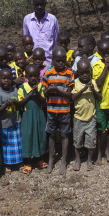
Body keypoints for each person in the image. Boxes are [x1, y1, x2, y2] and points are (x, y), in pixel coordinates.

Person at [40, 46, 75, 175]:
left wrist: (58, 90)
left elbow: (70, 96)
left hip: (64, 110)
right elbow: (44, 93)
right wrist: (49, 91)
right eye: (58, 60)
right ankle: (51, 160)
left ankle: (64, 162)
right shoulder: (48, 73)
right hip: (51, 110)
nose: (61, 63)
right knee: (51, 134)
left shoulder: (69, 73)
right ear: (53, 60)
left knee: (65, 135)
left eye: (63, 60)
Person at [71, 59, 101, 171]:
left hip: (90, 118)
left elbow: (99, 97)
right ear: (78, 72)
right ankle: (78, 160)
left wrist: (93, 90)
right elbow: (73, 97)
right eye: (82, 73)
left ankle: (89, 161)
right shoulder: (76, 83)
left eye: (87, 72)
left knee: (90, 141)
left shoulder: (93, 82)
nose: (85, 75)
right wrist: (83, 89)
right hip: (78, 117)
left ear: (90, 71)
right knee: (77, 141)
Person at [18, 64, 48, 174]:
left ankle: (39, 158)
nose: (33, 78)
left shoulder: (41, 86)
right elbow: (20, 103)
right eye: (30, 76)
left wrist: (37, 93)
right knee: (28, 137)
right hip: (27, 115)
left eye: (35, 76)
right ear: (26, 76)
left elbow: (44, 101)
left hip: (39, 115)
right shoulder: (22, 87)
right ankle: (28, 162)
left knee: (40, 136)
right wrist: (30, 95)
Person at [0, 68, 23, 172]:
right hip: (4, 123)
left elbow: (20, 104)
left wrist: (14, 101)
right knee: (6, 145)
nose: (6, 80)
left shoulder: (15, 90)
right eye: (3, 78)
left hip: (16, 121)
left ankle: (19, 162)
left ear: (12, 79)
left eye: (9, 78)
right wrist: (6, 104)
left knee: (17, 143)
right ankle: (7, 165)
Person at [23, 0, 59, 66]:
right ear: (33, 5)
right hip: (33, 60)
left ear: (45, 4)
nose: (39, 7)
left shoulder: (52, 19)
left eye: (41, 4)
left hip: (48, 60)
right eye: (37, 5)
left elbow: (56, 40)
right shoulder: (27, 19)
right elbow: (25, 40)